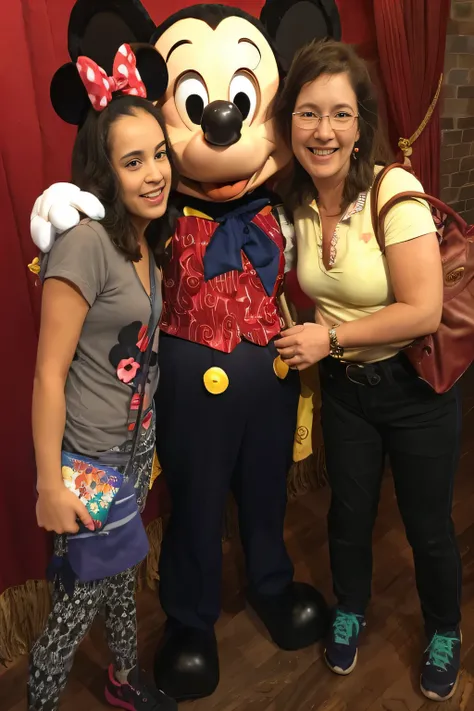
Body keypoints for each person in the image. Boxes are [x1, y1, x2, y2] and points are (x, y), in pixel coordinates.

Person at [274, 40, 462, 703]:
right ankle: (350, 605)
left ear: (361, 125)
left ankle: (444, 627)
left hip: (414, 390)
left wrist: (331, 336)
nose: (322, 130)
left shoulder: (393, 189)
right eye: (307, 113)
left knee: (428, 526)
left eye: (340, 114)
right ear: (288, 120)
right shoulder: (294, 198)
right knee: (347, 515)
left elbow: (423, 310)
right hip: (346, 391)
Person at [28, 45, 177, 711]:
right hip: (88, 460)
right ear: (103, 171)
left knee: (119, 579)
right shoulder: (83, 243)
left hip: (133, 451)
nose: (155, 173)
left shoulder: (144, 239)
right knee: (77, 601)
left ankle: (122, 679)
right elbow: (48, 373)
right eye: (133, 160)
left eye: (160, 154)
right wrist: (49, 482)